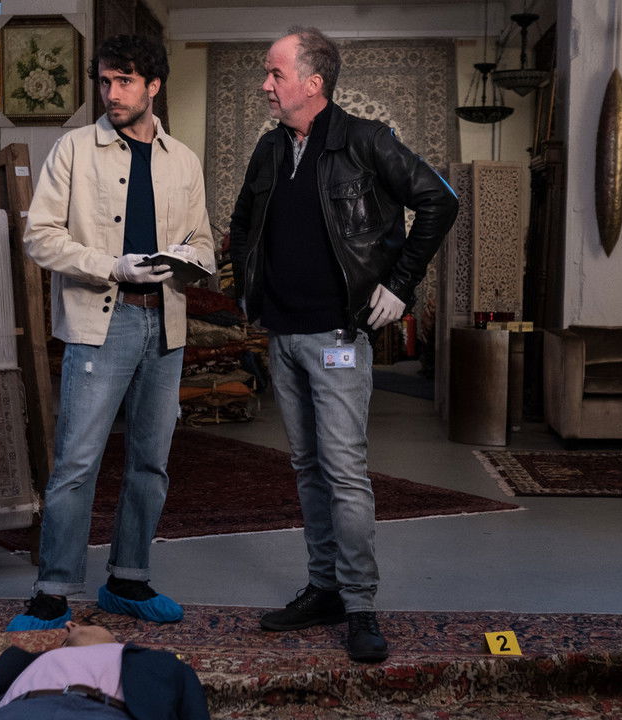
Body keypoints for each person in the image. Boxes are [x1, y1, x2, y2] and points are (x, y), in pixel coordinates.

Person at [228, 27, 458, 662]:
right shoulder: (270, 148)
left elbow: (439, 201)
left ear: (313, 82)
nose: (265, 85)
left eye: (275, 74)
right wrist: (247, 288)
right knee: (307, 469)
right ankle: (324, 588)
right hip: (282, 335)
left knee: (344, 474)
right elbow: (243, 223)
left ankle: (359, 604)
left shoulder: (365, 140)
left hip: (338, 336)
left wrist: (401, 285)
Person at [7, 34, 214, 631]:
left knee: (151, 461)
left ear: (154, 86)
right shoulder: (74, 149)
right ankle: (52, 591)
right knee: (77, 461)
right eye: (105, 81)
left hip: (166, 323)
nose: (112, 93)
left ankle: (128, 579)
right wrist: (113, 266)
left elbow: (205, 242)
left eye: (125, 81)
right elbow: (39, 236)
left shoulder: (184, 160)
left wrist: (189, 260)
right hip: (105, 320)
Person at [0, 620, 210, 720]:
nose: (70, 624)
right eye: (67, 635)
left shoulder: (156, 662)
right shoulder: (24, 660)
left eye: (83, 623)